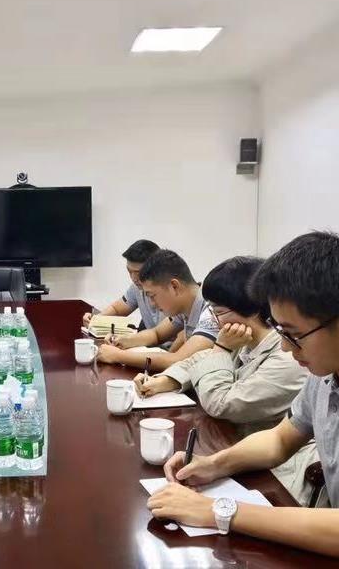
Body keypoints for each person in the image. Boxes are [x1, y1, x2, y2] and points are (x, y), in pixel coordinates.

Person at [147, 232, 339, 558]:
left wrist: (218, 511)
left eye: (294, 334)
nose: (284, 347)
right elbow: (280, 439)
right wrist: (212, 465)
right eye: (280, 331)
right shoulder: (324, 376)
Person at [136, 256, 316, 504]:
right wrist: (166, 380)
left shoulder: (288, 359)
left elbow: (221, 404)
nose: (214, 320)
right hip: (237, 451)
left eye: (219, 312)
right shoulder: (244, 341)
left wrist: (220, 348)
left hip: (277, 475)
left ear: (253, 310)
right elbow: (199, 360)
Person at [97, 249, 218, 371]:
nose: (152, 304)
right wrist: (123, 340)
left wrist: (117, 356)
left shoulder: (212, 311)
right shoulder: (185, 305)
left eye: (152, 296)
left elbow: (178, 360)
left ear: (174, 286)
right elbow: (156, 334)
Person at [82, 239, 164, 331]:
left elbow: (157, 335)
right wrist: (96, 319)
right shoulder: (137, 287)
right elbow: (117, 309)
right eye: (129, 271)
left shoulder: (168, 292)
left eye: (138, 272)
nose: (133, 278)